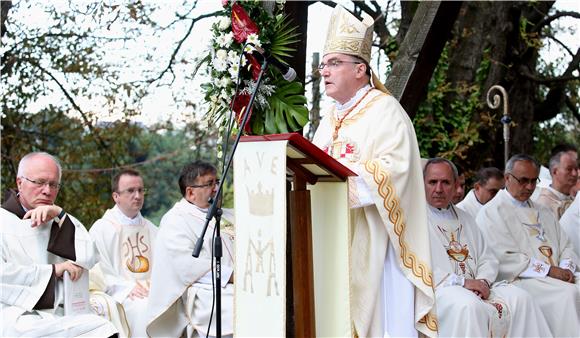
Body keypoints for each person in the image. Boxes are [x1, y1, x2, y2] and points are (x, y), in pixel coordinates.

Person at [311, 6, 435, 337]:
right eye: (324, 64)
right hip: (335, 236)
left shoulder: (386, 112)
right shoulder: (328, 120)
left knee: (382, 323)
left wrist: (340, 182)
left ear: (361, 70)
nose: (325, 71)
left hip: (378, 243)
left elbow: (397, 171)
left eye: (335, 63)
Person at [423, 158, 551, 337]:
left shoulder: (465, 218)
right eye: (432, 182)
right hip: (440, 291)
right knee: (468, 306)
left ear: (455, 185)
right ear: (422, 184)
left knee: (522, 299)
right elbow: (416, 267)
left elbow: (487, 257)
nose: (438, 189)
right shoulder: (415, 222)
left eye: (445, 182)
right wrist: (463, 283)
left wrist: (482, 281)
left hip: (477, 288)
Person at [0, 152, 117, 337]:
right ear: (19, 182)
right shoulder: (2, 221)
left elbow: (89, 256)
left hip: (58, 313)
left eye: (53, 185)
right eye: (39, 182)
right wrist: (53, 271)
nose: (47, 191)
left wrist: (61, 215)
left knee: (102, 328)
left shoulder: (58, 220)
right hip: (14, 314)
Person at [476, 154, 580, 337]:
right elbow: (503, 258)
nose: (530, 187)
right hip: (521, 280)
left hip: (556, 276)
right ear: (507, 178)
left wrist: (566, 268)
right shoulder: (491, 213)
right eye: (524, 180)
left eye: (534, 181)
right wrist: (549, 270)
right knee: (567, 295)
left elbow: (566, 246)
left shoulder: (543, 210)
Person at [145, 160, 234, 337]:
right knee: (239, 304)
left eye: (217, 182)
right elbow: (186, 267)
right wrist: (231, 276)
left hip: (235, 282)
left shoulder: (229, 215)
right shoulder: (175, 221)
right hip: (202, 292)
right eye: (209, 184)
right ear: (191, 193)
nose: (216, 188)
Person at [89, 168, 158, 337]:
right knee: (144, 308)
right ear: (116, 196)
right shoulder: (102, 229)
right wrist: (126, 288)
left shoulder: (153, 229)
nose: (138, 196)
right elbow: (97, 271)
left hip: (152, 291)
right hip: (121, 293)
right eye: (131, 191)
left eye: (141, 190)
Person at [533, 147, 578, 219]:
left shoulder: (576, 201)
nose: (575, 174)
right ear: (555, 171)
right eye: (569, 169)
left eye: (576, 169)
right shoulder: (542, 205)